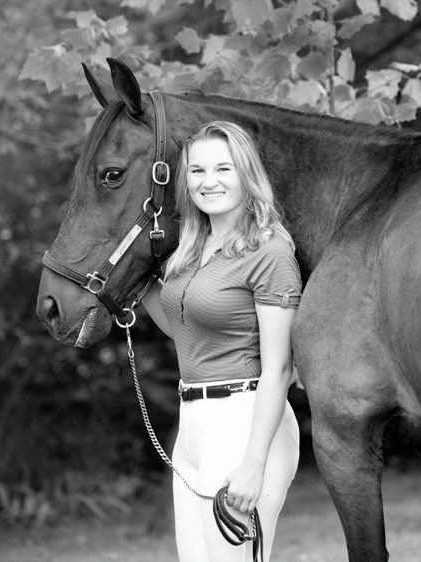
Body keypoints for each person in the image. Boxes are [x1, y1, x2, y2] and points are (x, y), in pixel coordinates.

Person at [140, 121, 302, 561]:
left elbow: (279, 368)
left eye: (223, 169)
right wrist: (132, 288)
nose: (208, 182)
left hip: (245, 421)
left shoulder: (269, 253)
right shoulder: (192, 249)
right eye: (196, 171)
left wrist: (253, 464)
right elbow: (186, 331)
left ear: (247, 174)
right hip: (194, 424)